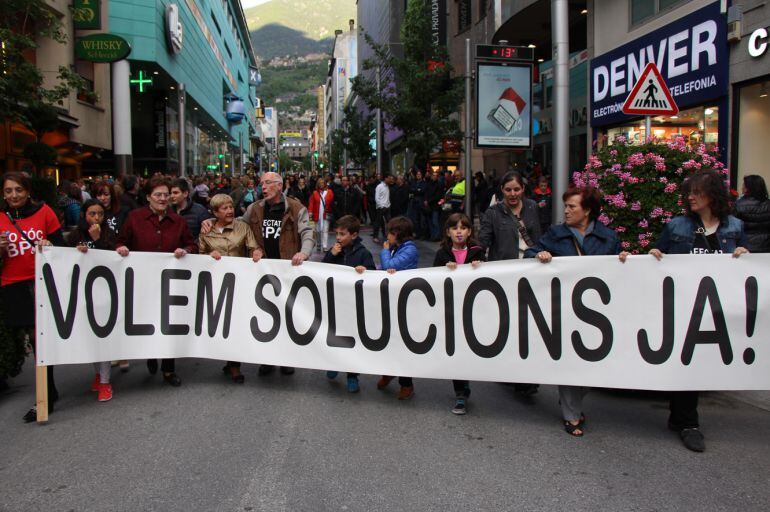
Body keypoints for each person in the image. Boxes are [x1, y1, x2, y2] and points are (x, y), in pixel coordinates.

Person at [649, 169, 749, 452]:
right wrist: (656, 256)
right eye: (688, 192)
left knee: (702, 361)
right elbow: (660, 256)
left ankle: (679, 415)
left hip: (719, 309)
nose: (690, 197)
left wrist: (744, 255)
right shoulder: (678, 226)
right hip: (684, 306)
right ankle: (687, 422)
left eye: (697, 192)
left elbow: (747, 267)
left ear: (712, 195)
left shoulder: (735, 228)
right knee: (688, 361)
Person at [525, 186, 626, 437]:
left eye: (572, 207)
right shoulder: (556, 234)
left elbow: (619, 267)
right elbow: (530, 253)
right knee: (571, 362)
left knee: (596, 364)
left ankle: (573, 401)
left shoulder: (608, 238)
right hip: (566, 310)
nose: (566, 211)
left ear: (588, 210)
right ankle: (572, 415)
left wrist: (625, 259)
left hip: (599, 312)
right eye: (566, 206)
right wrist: (540, 254)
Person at [202, 172, 314, 376]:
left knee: (286, 315)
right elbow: (234, 223)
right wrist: (211, 220)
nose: (263, 186)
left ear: (279, 186)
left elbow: (307, 233)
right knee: (266, 316)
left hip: (285, 270)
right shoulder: (255, 208)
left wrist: (303, 253)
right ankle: (267, 359)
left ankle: (286, 359)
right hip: (261, 270)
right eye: (262, 183)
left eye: (268, 183)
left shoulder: (297, 208)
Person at [116, 176, 197, 387]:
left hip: (170, 283)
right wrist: (122, 249)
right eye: (157, 195)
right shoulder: (134, 218)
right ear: (148, 197)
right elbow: (121, 241)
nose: (162, 199)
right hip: (142, 282)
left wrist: (185, 250)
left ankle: (169, 369)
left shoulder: (178, 221)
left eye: (166, 195)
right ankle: (151, 355)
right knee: (148, 321)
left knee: (168, 324)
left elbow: (191, 244)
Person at [0, 172, 66, 422]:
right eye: (8, 191)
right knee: (26, 338)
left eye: (18, 190)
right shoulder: (1, 217)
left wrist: (49, 244)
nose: (14, 195)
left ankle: (45, 396)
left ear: (28, 191)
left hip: (39, 283)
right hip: (11, 286)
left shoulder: (44, 212)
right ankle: (48, 391)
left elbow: (61, 247)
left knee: (39, 340)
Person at [479, 171, 542, 397]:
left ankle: (527, 375)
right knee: (509, 324)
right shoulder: (493, 213)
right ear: (502, 192)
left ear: (523, 189)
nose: (513, 194)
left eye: (516, 189)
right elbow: (483, 241)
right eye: (508, 190)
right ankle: (512, 371)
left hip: (531, 272)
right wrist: (472, 258)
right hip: (504, 275)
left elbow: (540, 237)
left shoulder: (533, 208)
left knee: (529, 324)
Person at [198, 194, 260, 384]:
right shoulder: (206, 231)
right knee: (221, 323)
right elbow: (198, 255)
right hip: (216, 284)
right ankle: (227, 358)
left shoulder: (243, 227)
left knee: (236, 324)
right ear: (215, 212)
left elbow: (253, 247)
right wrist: (209, 254)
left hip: (239, 283)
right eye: (224, 208)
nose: (230, 210)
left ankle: (235, 366)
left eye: (231, 206)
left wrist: (257, 252)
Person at [66, 199, 119, 402]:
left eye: (100, 214)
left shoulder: (108, 234)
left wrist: (96, 242)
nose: (96, 218)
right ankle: (98, 374)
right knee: (90, 336)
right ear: (83, 215)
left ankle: (105, 382)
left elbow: (113, 259)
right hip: (82, 291)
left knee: (102, 335)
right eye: (92, 214)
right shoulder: (74, 236)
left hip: (104, 292)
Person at [432, 213, 485, 414]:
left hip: (473, 309)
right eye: (455, 228)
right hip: (451, 309)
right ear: (448, 232)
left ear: (470, 231)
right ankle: (460, 393)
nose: (459, 232)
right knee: (455, 351)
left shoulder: (478, 252)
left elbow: (490, 279)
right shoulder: (442, 254)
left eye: (463, 228)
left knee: (469, 349)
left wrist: (479, 269)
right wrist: (444, 271)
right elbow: (433, 280)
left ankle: (465, 383)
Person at [322, 215, 377, 393]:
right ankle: (333, 363)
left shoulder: (363, 253)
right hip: (336, 302)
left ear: (353, 235)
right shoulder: (335, 250)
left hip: (354, 305)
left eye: (342, 234)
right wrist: (331, 255)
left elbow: (374, 275)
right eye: (337, 233)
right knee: (334, 336)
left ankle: (352, 375)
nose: (338, 237)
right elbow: (322, 270)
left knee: (352, 340)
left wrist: (364, 271)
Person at [377, 216, 419, 400]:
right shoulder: (397, 248)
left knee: (401, 342)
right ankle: (388, 371)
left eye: (390, 233)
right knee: (388, 338)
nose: (387, 236)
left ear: (397, 234)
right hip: (391, 298)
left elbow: (389, 266)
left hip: (404, 301)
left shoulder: (409, 250)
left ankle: (406, 383)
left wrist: (385, 252)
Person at [734, 174, 770, 253]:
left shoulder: (738, 205)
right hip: (766, 247)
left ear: (748, 188)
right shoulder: (768, 204)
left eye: (744, 185)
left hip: (745, 247)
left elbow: (734, 227)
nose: (742, 187)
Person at [308, 178, 334, 252]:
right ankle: (318, 244)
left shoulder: (330, 192)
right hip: (316, 215)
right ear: (318, 184)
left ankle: (325, 246)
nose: (321, 184)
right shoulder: (315, 193)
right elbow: (311, 204)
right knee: (317, 231)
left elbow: (332, 203)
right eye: (320, 183)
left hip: (326, 214)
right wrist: (310, 212)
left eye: (323, 182)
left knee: (325, 230)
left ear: (325, 183)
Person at [424, 170, 444, 241]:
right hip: (429, 205)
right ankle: (433, 235)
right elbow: (426, 192)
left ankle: (437, 236)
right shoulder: (429, 184)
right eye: (433, 175)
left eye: (436, 176)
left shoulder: (439, 184)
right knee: (430, 221)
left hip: (435, 205)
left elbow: (438, 196)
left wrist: (428, 201)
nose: (434, 177)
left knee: (434, 221)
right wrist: (426, 200)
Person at [373, 175, 392, 243]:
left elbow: (387, 197)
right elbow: (376, 198)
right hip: (381, 208)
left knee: (389, 222)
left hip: (387, 207)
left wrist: (388, 205)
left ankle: (389, 236)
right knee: (377, 222)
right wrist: (381, 206)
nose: (390, 180)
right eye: (389, 178)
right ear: (385, 178)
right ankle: (375, 236)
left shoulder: (387, 186)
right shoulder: (379, 186)